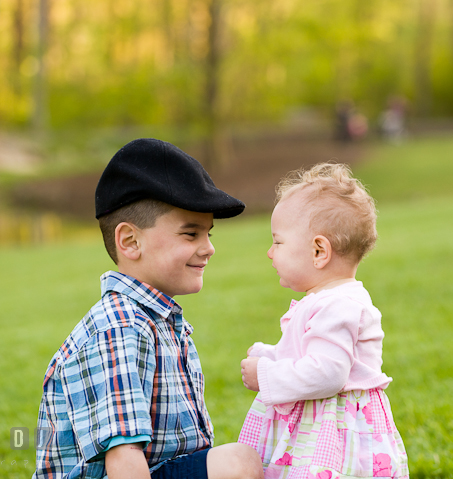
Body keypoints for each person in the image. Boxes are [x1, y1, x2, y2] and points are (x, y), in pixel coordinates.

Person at [33, 138, 264, 479]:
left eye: (208, 233)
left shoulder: (159, 322)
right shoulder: (119, 328)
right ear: (130, 242)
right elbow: (123, 459)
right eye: (191, 234)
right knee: (237, 464)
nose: (209, 248)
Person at [238, 163, 409, 479]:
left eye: (278, 242)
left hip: (334, 434)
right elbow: (311, 358)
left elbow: (328, 373)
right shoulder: (327, 300)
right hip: (319, 427)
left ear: (319, 251)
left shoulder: (338, 304)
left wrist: (267, 375)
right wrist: (271, 355)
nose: (269, 253)